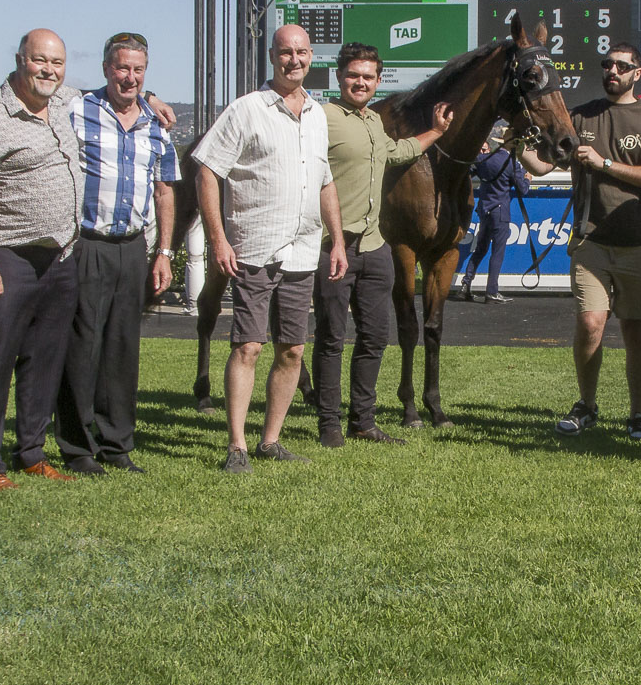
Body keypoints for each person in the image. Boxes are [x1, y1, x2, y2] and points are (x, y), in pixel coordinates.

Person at [194, 24, 348, 473]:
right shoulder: (246, 110)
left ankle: (271, 440)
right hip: (254, 248)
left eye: (301, 52)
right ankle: (237, 445)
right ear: (272, 56)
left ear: (311, 56)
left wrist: (336, 240)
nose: (294, 60)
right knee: (248, 348)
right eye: (285, 52)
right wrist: (218, 237)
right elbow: (207, 169)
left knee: (293, 351)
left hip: (303, 250)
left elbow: (324, 181)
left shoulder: (318, 115)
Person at [521, 42, 641, 440]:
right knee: (590, 324)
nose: (612, 71)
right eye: (607, 65)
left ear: (637, 73)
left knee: (636, 330)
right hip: (590, 240)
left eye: (622, 66)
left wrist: (605, 164)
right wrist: (517, 145)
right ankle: (587, 405)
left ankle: (637, 414)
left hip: (637, 241)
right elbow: (541, 166)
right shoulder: (581, 114)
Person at [0, 28, 82, 489]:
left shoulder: (64, 101)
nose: (49, 70)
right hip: (6, 256)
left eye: (58, 63)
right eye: (40, 61)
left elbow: (104, 95)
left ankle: (31, 453)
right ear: (20, 60)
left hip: (59, 257)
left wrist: (151, 96)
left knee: (44, 362)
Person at [53, 32, 181, 476]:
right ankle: (77, 447)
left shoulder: (155, 123)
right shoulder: (77, 110)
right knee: (82, 346)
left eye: (138, 70)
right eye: (122, 68)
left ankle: (117, 445)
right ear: (107, 68)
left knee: (123, 350)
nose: (129, 77)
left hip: (134, 248)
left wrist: (163, 251)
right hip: (86, 244)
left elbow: (165, 191)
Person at [313, 42, 452, 448]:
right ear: (339, 77)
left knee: (374, 338)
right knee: (331, 337)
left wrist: (436, 133)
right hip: (332, 246)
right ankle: (328, 425)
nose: (360, 82)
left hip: (375, 247)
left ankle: (363, 420)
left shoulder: (374, 121)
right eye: (353, 75)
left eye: (368, 77)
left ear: (378, 81)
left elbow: (397, 153)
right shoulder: (320, 117)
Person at [457, 136, 531, 304]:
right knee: (497, 253)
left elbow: (468, 172)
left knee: (480, 250)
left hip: (484, 209)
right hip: (500, 212)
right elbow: (523, 189)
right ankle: (491, 291)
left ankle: (465, 285)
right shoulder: (511, 163)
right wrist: (527, 178)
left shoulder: (483, 159)